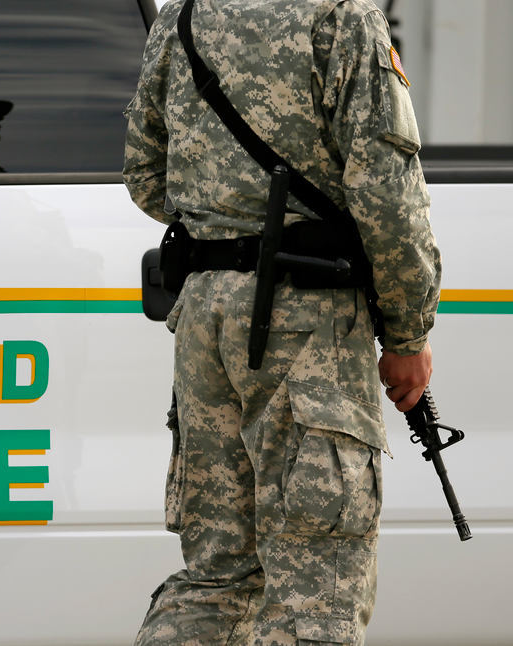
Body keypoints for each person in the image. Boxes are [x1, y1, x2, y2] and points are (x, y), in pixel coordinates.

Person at [123, 1, 440, 645]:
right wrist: (408, 332)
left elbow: (145, 174)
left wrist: (226, 224)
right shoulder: (342, 18)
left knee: (217, 579)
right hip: (306, 318)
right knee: (315, 590)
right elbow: (387, 196)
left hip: (206, 312)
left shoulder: (182, 17)